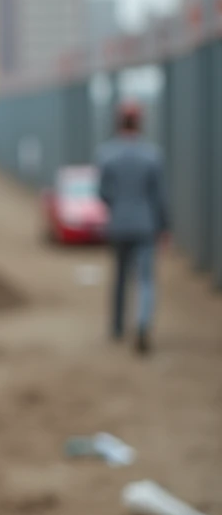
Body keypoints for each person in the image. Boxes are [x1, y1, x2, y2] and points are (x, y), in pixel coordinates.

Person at [96, 100, 169, 355]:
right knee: (146, 280)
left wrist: (117, 207)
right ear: (140, 122)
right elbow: (159, 197)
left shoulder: (106, 154)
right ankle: (142, 323)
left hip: (118, 224)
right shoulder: (152, 155)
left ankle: (117, 328)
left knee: (120, 278)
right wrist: (163, 227)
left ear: (118, 122)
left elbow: (103, 193)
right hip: (146, 225)